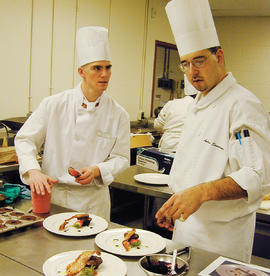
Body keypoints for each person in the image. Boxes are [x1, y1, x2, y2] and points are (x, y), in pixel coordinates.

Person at [155, 0, 270, 262]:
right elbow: (196, 166)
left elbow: (257, 175)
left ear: (219, 57)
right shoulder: (198, 103)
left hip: (222, 241)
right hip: (185, 229)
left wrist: (201, 193)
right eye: (185, 63)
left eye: (199, 61)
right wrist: (176, 204)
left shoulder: (242, 104)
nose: (192, 72)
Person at [15, 26, 130, 221]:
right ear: (81, 72)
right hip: (56, 197)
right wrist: (33, 170)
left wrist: (97, 170)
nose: (104, 74)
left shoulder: (118, 114)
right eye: (97, 68)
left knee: (90, 250)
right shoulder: (54, 104)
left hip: (94, 202)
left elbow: (122, 158)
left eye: (108, 67)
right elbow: (25, 139)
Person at [154, 75, 198, 152]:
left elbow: (157, 125)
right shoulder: (200, 107)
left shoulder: (171, 103)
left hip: (167, 146)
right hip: (186, 148)